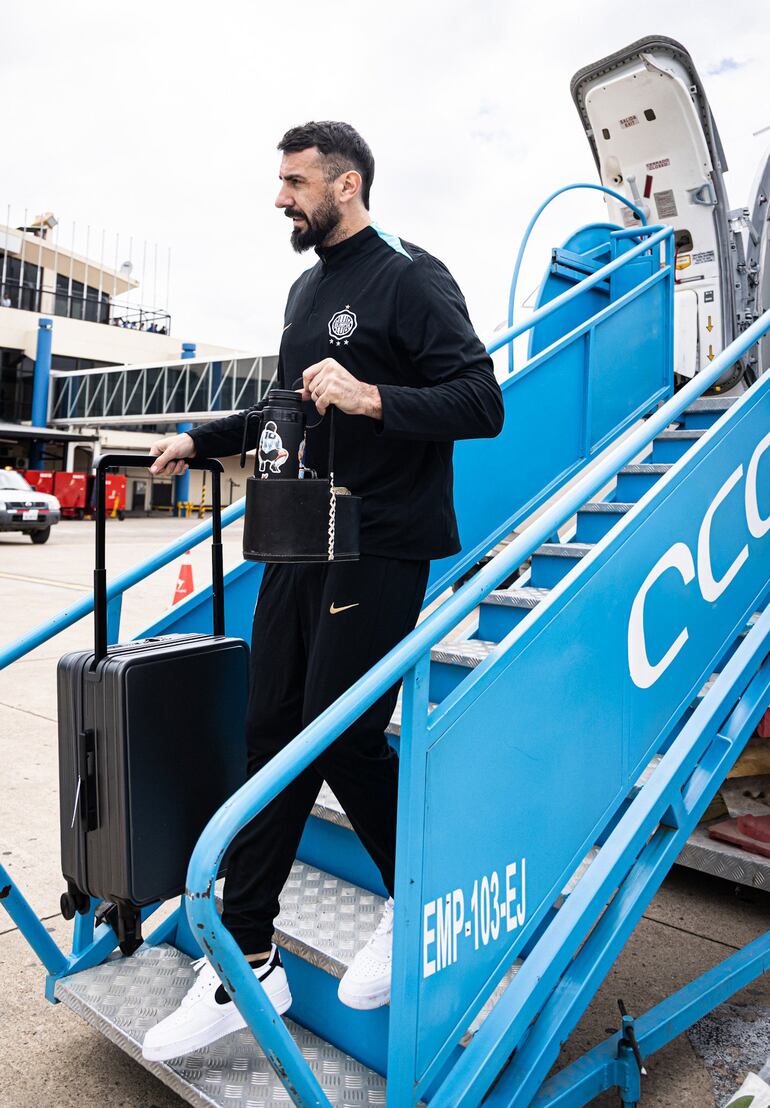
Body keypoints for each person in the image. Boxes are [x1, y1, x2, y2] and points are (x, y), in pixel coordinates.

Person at [141, 120, 504, 1063]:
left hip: (378, 544)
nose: (280, 198)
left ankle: (417, 896)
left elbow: (482, 402)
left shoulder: (411, 278)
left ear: (347, 185)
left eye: (296, 182)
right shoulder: (306, 289)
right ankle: (249, 960)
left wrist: (372, 395)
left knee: (339, 733)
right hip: (301, 541)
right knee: (270, 733)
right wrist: (199, 438)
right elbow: (285, 409)